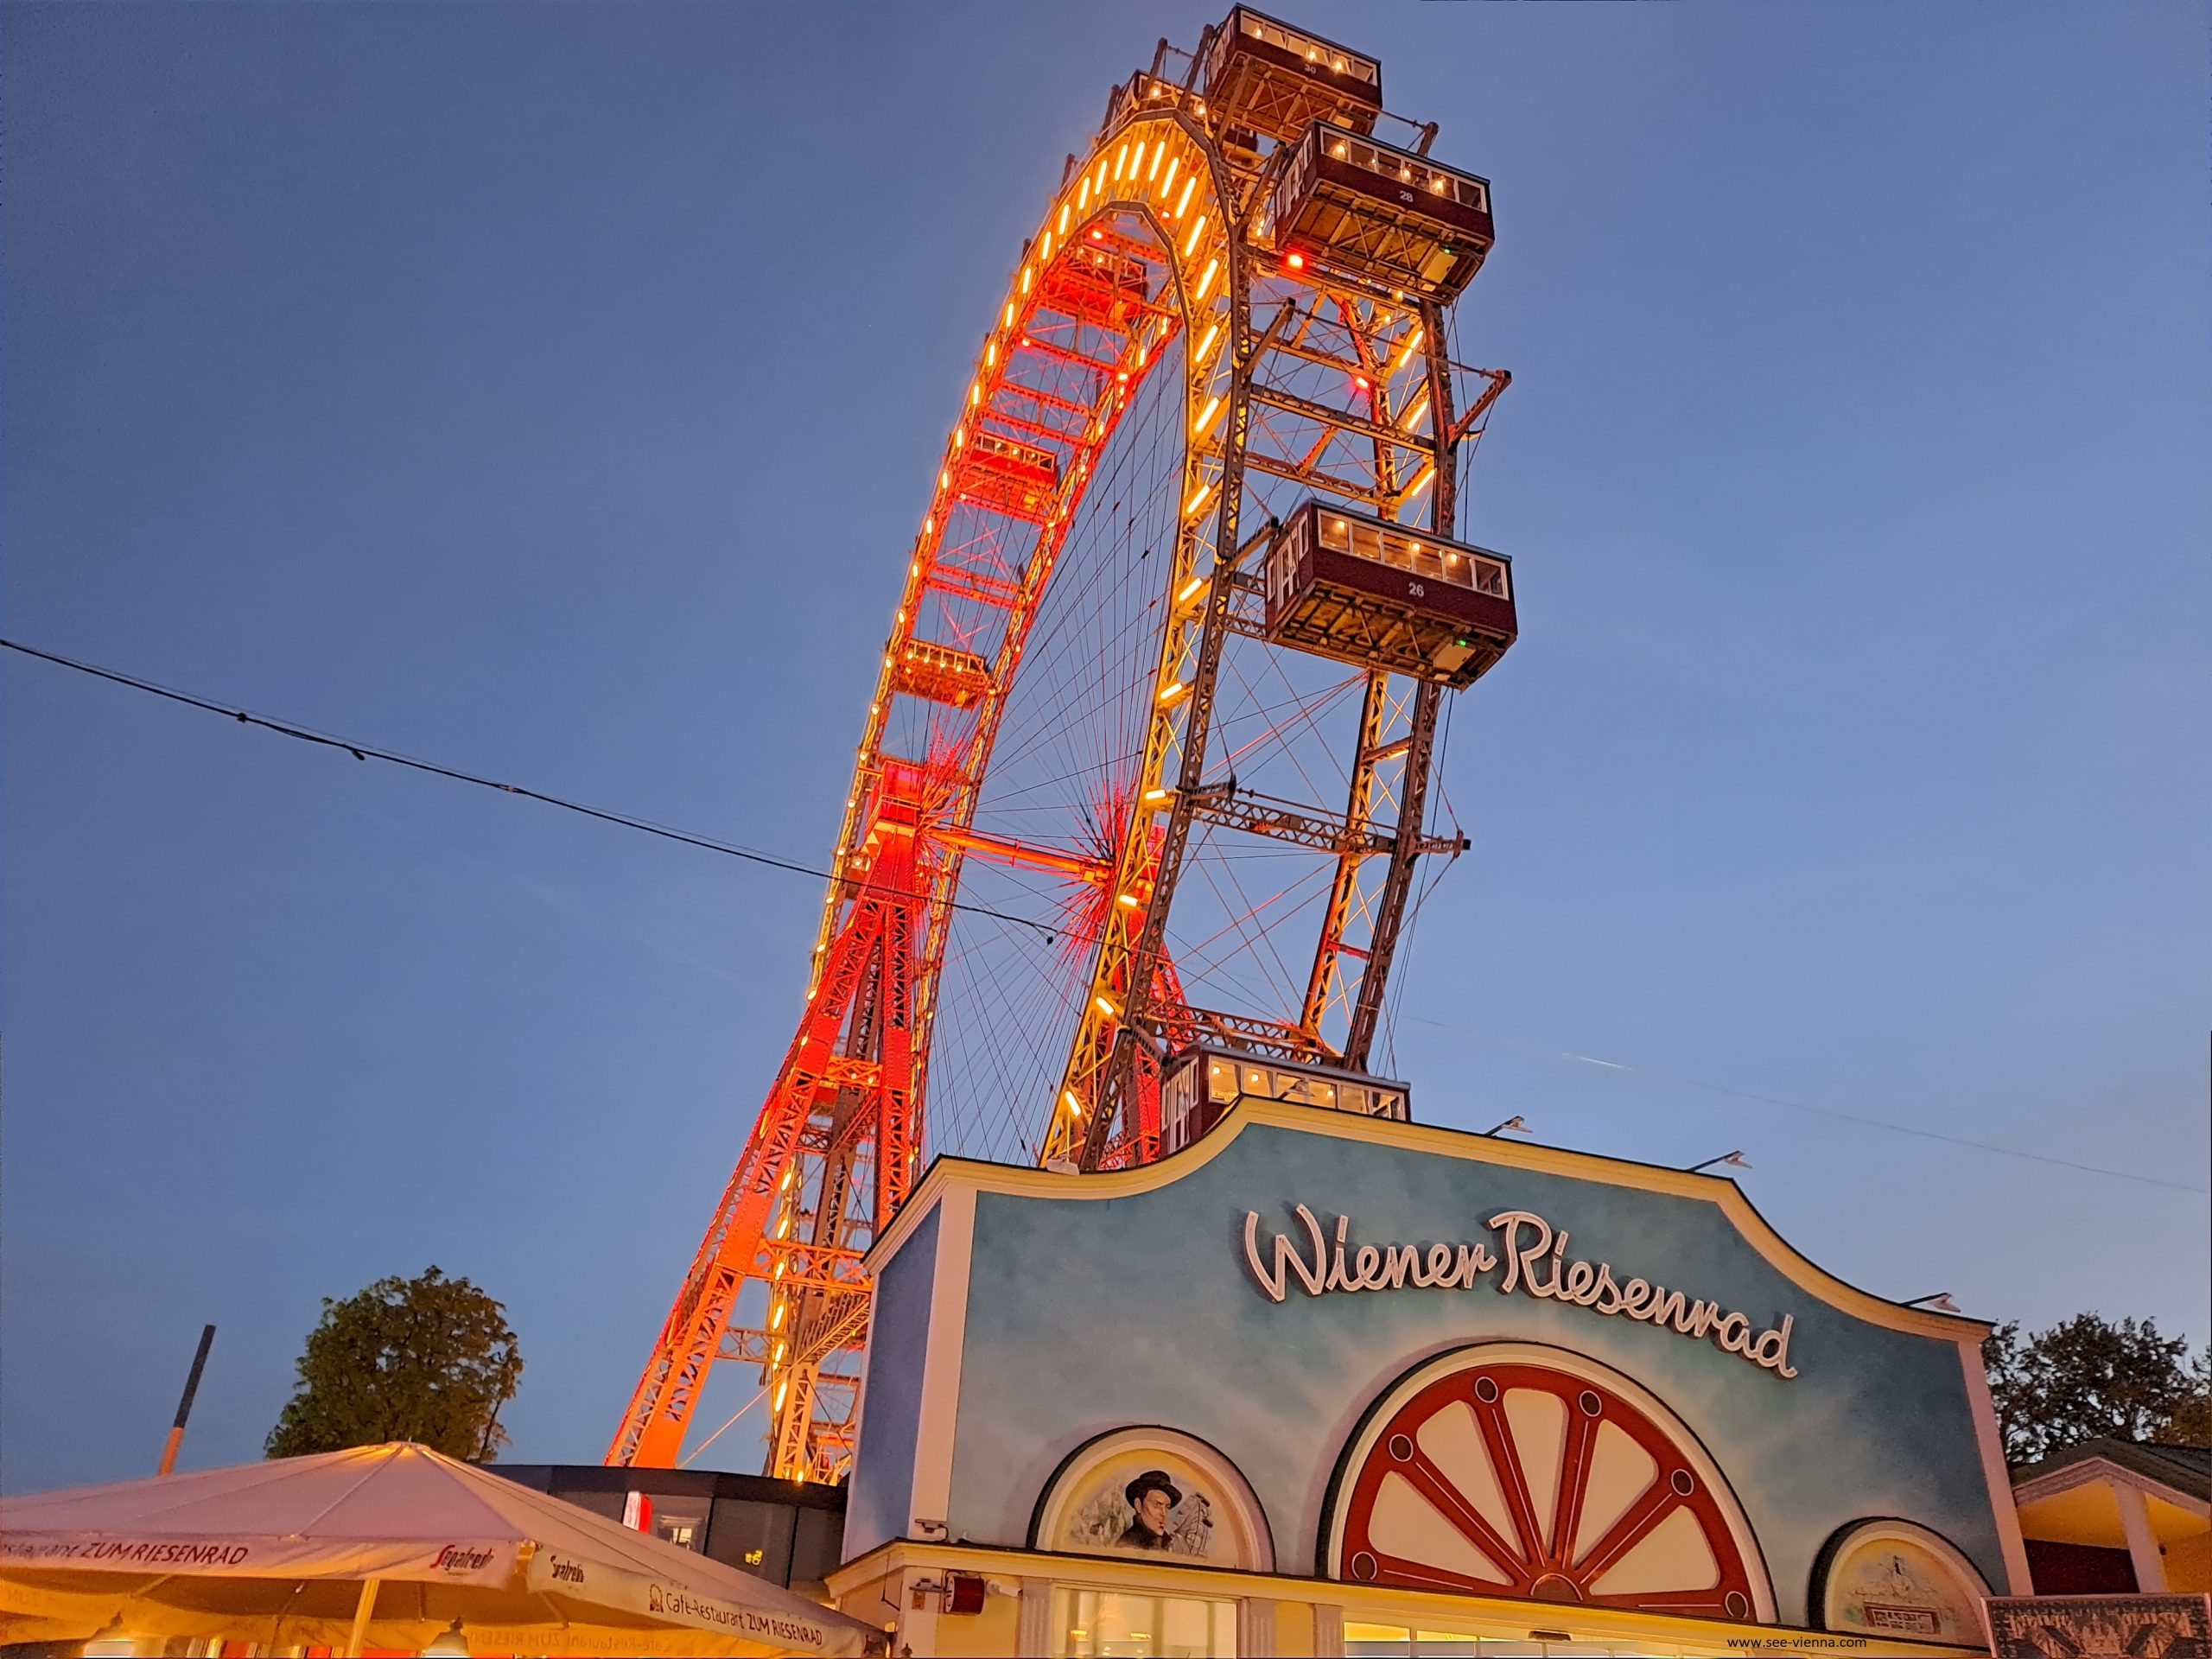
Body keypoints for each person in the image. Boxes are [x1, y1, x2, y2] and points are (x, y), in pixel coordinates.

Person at [1117, 1470, 1181, 1549]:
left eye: (1167, 1507)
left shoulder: (1170, 1544)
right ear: (1138, 1506)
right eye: (1157, 1505)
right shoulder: (1127, 1545)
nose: (1164, 1514)